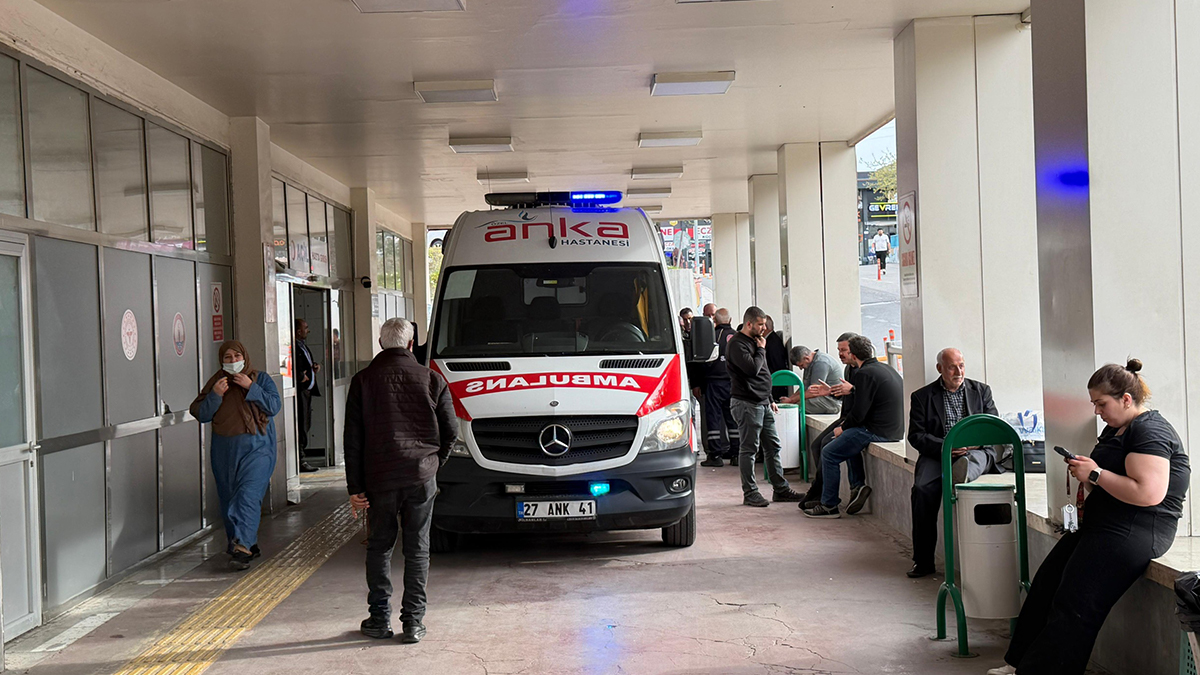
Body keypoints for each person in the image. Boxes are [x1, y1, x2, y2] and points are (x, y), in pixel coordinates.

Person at [987, 360, 1189, 675]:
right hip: (1104, 524)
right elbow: (1110, 476)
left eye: (1101, 403)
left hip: (1136, 530)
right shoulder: (1116, 428)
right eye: (1094, 403)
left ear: (1125, 399)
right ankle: (1019, 664)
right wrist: (1088, 473)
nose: (1096, 411)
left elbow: (1149, 493)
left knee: (1076, 604)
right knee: (1045, 588)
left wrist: (1094, 473)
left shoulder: (1151, 430)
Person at [345, 318, 458, 644]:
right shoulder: (432, 379)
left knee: (379, 547)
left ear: (381, 344)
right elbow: (450, 432)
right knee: (417, 549)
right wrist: (433, 464)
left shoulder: (363, 381)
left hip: (379, 479)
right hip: (420, 477)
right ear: (411, 345)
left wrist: (356, 488)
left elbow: (352, 439)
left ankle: (379, 619)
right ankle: (413, 623)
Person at [905, 347, 999, 578]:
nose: (958, 371)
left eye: (961, 365)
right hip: (939, 452)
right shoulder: (922, 396)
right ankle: (923, 561)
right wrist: (946, 446)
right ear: (940, 369)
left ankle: (963, 473)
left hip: (974, 449)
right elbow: (916, 436)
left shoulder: (981, 391)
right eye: (952, 366)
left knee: (979, 459)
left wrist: (974, 443)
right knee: (922, 490)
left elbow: (993, 426)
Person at [189, 340, 281, 571]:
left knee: (247, 495)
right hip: (224, 450)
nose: (233, 361)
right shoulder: (216, 382)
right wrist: (216, 395)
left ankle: (242, 546)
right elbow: (200, 413)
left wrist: (251, 387)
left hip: (258, 448)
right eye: (227, 358)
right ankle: (243, 541)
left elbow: (274, 406)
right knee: (229, 497)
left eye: (237, 356)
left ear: (245, 356)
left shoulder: (260, 379)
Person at [803, 335, 903, 518]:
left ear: (854, 355)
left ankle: (829, 505)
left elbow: (858, 414)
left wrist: (843, 427)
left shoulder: (864, 374)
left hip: (876, 431)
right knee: (846, 443)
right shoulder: (884, 369)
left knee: (829, 452)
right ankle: (857, 486)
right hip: (892, 430)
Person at [726, 306, 803, 507]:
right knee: (749, 448)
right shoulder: (737, 344)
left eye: (764, 324)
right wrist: (761, 349)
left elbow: (764, 373)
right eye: (760, 324)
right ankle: (750, 492)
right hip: (746, 403)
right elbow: (752, 370)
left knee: (773, 446)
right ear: (749, 323)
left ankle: (781, 489)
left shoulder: (756, 341)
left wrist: (769, 399)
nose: (764, 327)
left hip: (762, 402)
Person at [799, 332, 867, 509]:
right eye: (839, 350)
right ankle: (822, 491)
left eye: (844, 350)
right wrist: (831, 393)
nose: (841, 354)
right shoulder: (849, 369)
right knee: (816, 445)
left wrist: (845, 427)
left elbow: (863, 404)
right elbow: (848, 399)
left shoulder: (865, 371)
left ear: (854, 351)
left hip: (856, 421)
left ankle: (828, 496)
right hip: (846, 417)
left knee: (829, 447)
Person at [700, 308, 739, 468]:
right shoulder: (738, 337)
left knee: (713, 419)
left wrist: (699, 384)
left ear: (714, 321)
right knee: (733, 418)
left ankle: (715, 454)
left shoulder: (711, 337)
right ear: (730, 320)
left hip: (714, 383)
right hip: (733, 383)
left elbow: (701, 363)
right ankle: (736, 453)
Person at [780, 345, 841, 415]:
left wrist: (791, 401)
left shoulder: (821, 363)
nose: (801, 368)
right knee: (791, 405)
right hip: (819, 399)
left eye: (801, 365)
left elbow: (813, 391)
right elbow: (804, 388)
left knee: (794, 408)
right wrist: (789, 399)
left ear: (806, 359)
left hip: (831, 402)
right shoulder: (810, 363)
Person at [294, 319, 320, 473]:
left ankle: (302, 456)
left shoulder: (302, 346)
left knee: (306, 423)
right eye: (305, 327)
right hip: (300, 391)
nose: (307, 330)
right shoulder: (293, 346)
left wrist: (313, 368)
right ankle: (301, 459)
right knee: (301, 425)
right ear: (298, 331)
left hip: (307, 392)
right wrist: (299, 376)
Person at [763, 315, 789, 401]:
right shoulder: (770, 340)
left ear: (765, 327)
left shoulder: (773, 344)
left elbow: (777, 366)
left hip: (775, 386)